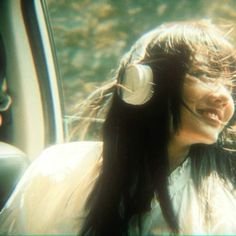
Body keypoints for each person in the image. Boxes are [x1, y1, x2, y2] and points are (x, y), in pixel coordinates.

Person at [1, 19, 236, 235]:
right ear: (140, 82)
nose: (223, 96)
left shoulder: (221, 210)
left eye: (228, 85)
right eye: (203, 75)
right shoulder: (55, 169)